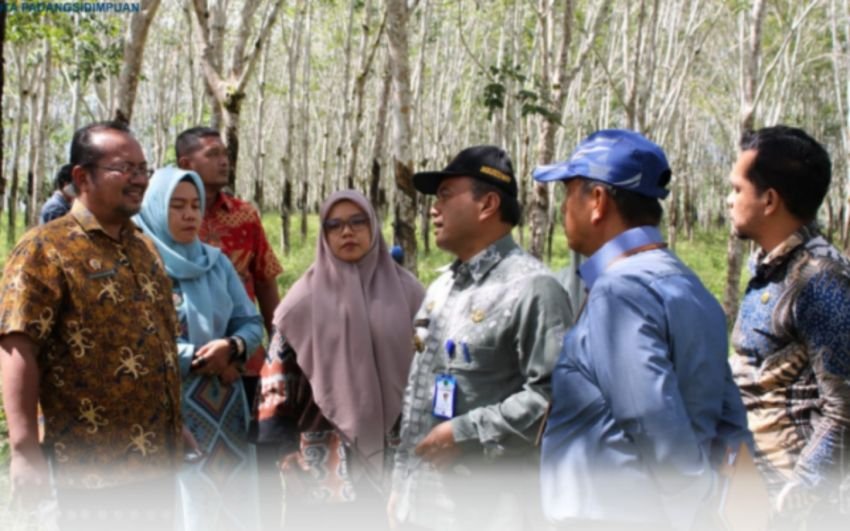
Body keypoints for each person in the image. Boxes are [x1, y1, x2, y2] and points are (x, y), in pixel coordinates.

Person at [535, 129, 750, 530]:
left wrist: (695, 513)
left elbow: (653, 419)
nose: (563, 209)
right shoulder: (692, 286)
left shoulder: (620, 292)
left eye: (569, 192)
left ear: (597, 201)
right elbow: (730, 421)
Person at [0, 121, 182, 530]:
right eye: (125, 168)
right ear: (82, 176)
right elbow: (17, 344)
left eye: (143, 168)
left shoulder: (145, 247)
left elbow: (159, 340)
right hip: (88, 471)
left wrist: (173, 425)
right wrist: (25, 450)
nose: (139, 179)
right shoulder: (45, 248)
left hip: (157, 464)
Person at [389, 146, 574, 530]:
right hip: (422, 500)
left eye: (444, 195)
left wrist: (465, 432)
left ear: (488, 203)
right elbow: (418, 390)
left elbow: (553, 397)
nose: (432, 209)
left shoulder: (533, 288)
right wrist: (402, 485)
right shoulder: (440, 289)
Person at [255, 190, 424, 529]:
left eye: (357, 222)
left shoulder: (410, 293)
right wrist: (283, 448)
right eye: (335, 225)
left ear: (373, 227)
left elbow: (430, 369)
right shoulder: (301, 301)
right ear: (325, 234)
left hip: (397, 448)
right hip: (322, 453)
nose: (347, 232)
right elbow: (276, 376)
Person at [727, 125, 850, 527]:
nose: (729, 201)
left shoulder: (819, 278)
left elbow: (843, 409)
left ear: (769, 200)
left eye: (736, 189)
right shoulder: (772, 268)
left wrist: (796, 501)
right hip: (754, 492)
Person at [134, 166, 264, 531]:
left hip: (226, 409)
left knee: (232, 502)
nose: (189, 214)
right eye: (177, 206)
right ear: (156, 207)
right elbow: (137, 341)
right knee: (184, 503)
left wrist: (233, 345)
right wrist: (200, 357)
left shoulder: (215, 261)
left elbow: (251, 322)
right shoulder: (140, 265)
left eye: (195, 205)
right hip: (171, 406)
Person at [175, 127, 283, 394]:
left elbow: (265, 282)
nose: (224, 161)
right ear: (185, 164)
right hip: (184, 362)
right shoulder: (166, 220)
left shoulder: (245, 216)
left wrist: (279, 349)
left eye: (225, 154)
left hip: (245, 355)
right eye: (212, 154)